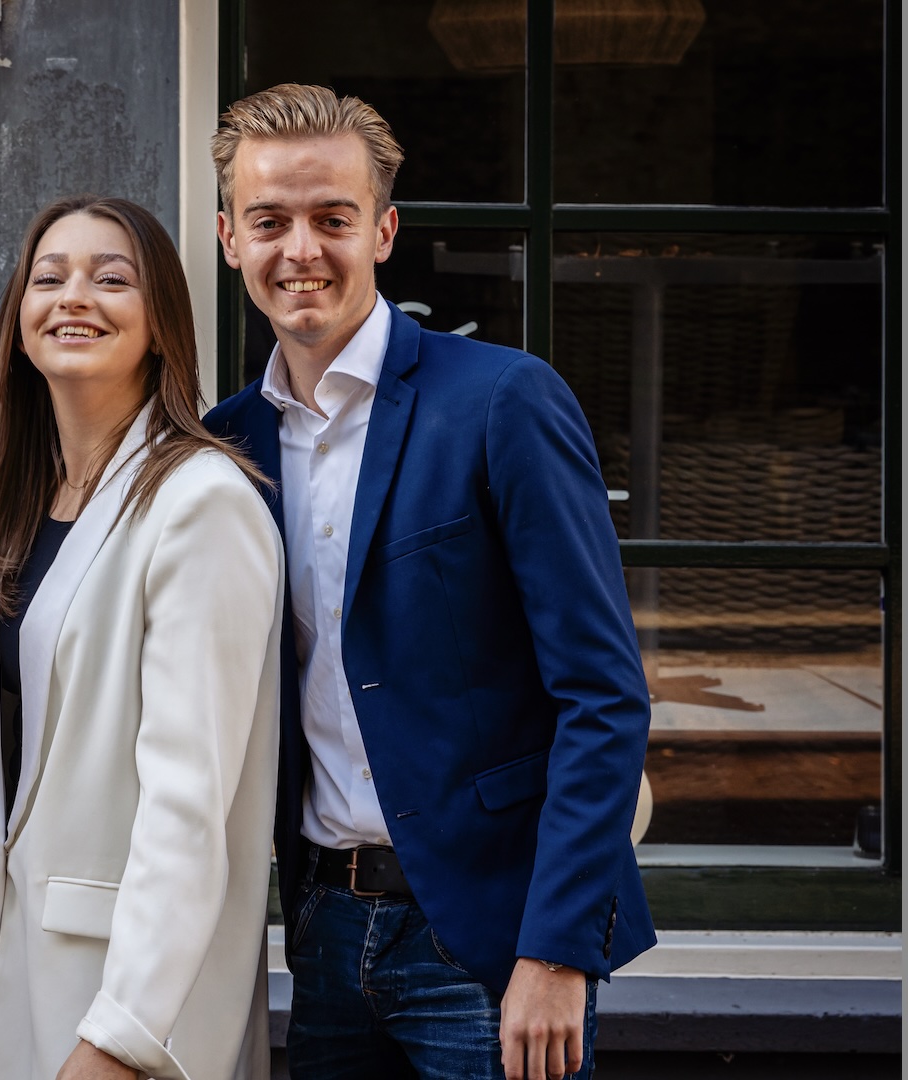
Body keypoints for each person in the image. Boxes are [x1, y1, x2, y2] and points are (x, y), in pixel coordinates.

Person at [202, 84, 656, 1080]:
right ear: (232, 237)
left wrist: (556, 951)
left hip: (491, 946)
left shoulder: (503, 400)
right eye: (271, 222)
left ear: (385, 230)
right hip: (319, 932)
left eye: (334, 219)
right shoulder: (226, 447)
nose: (301, 249)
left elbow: (604, 695)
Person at [0, 195, 283, 1080]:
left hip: (129, 1000)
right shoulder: (23, 505)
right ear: (19, 321)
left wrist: (123, 1037)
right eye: (48, 277)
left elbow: (191, 803)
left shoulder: (203, 503)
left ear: (160, 327)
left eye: (113, 279)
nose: (75, 296)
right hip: (18, 975)